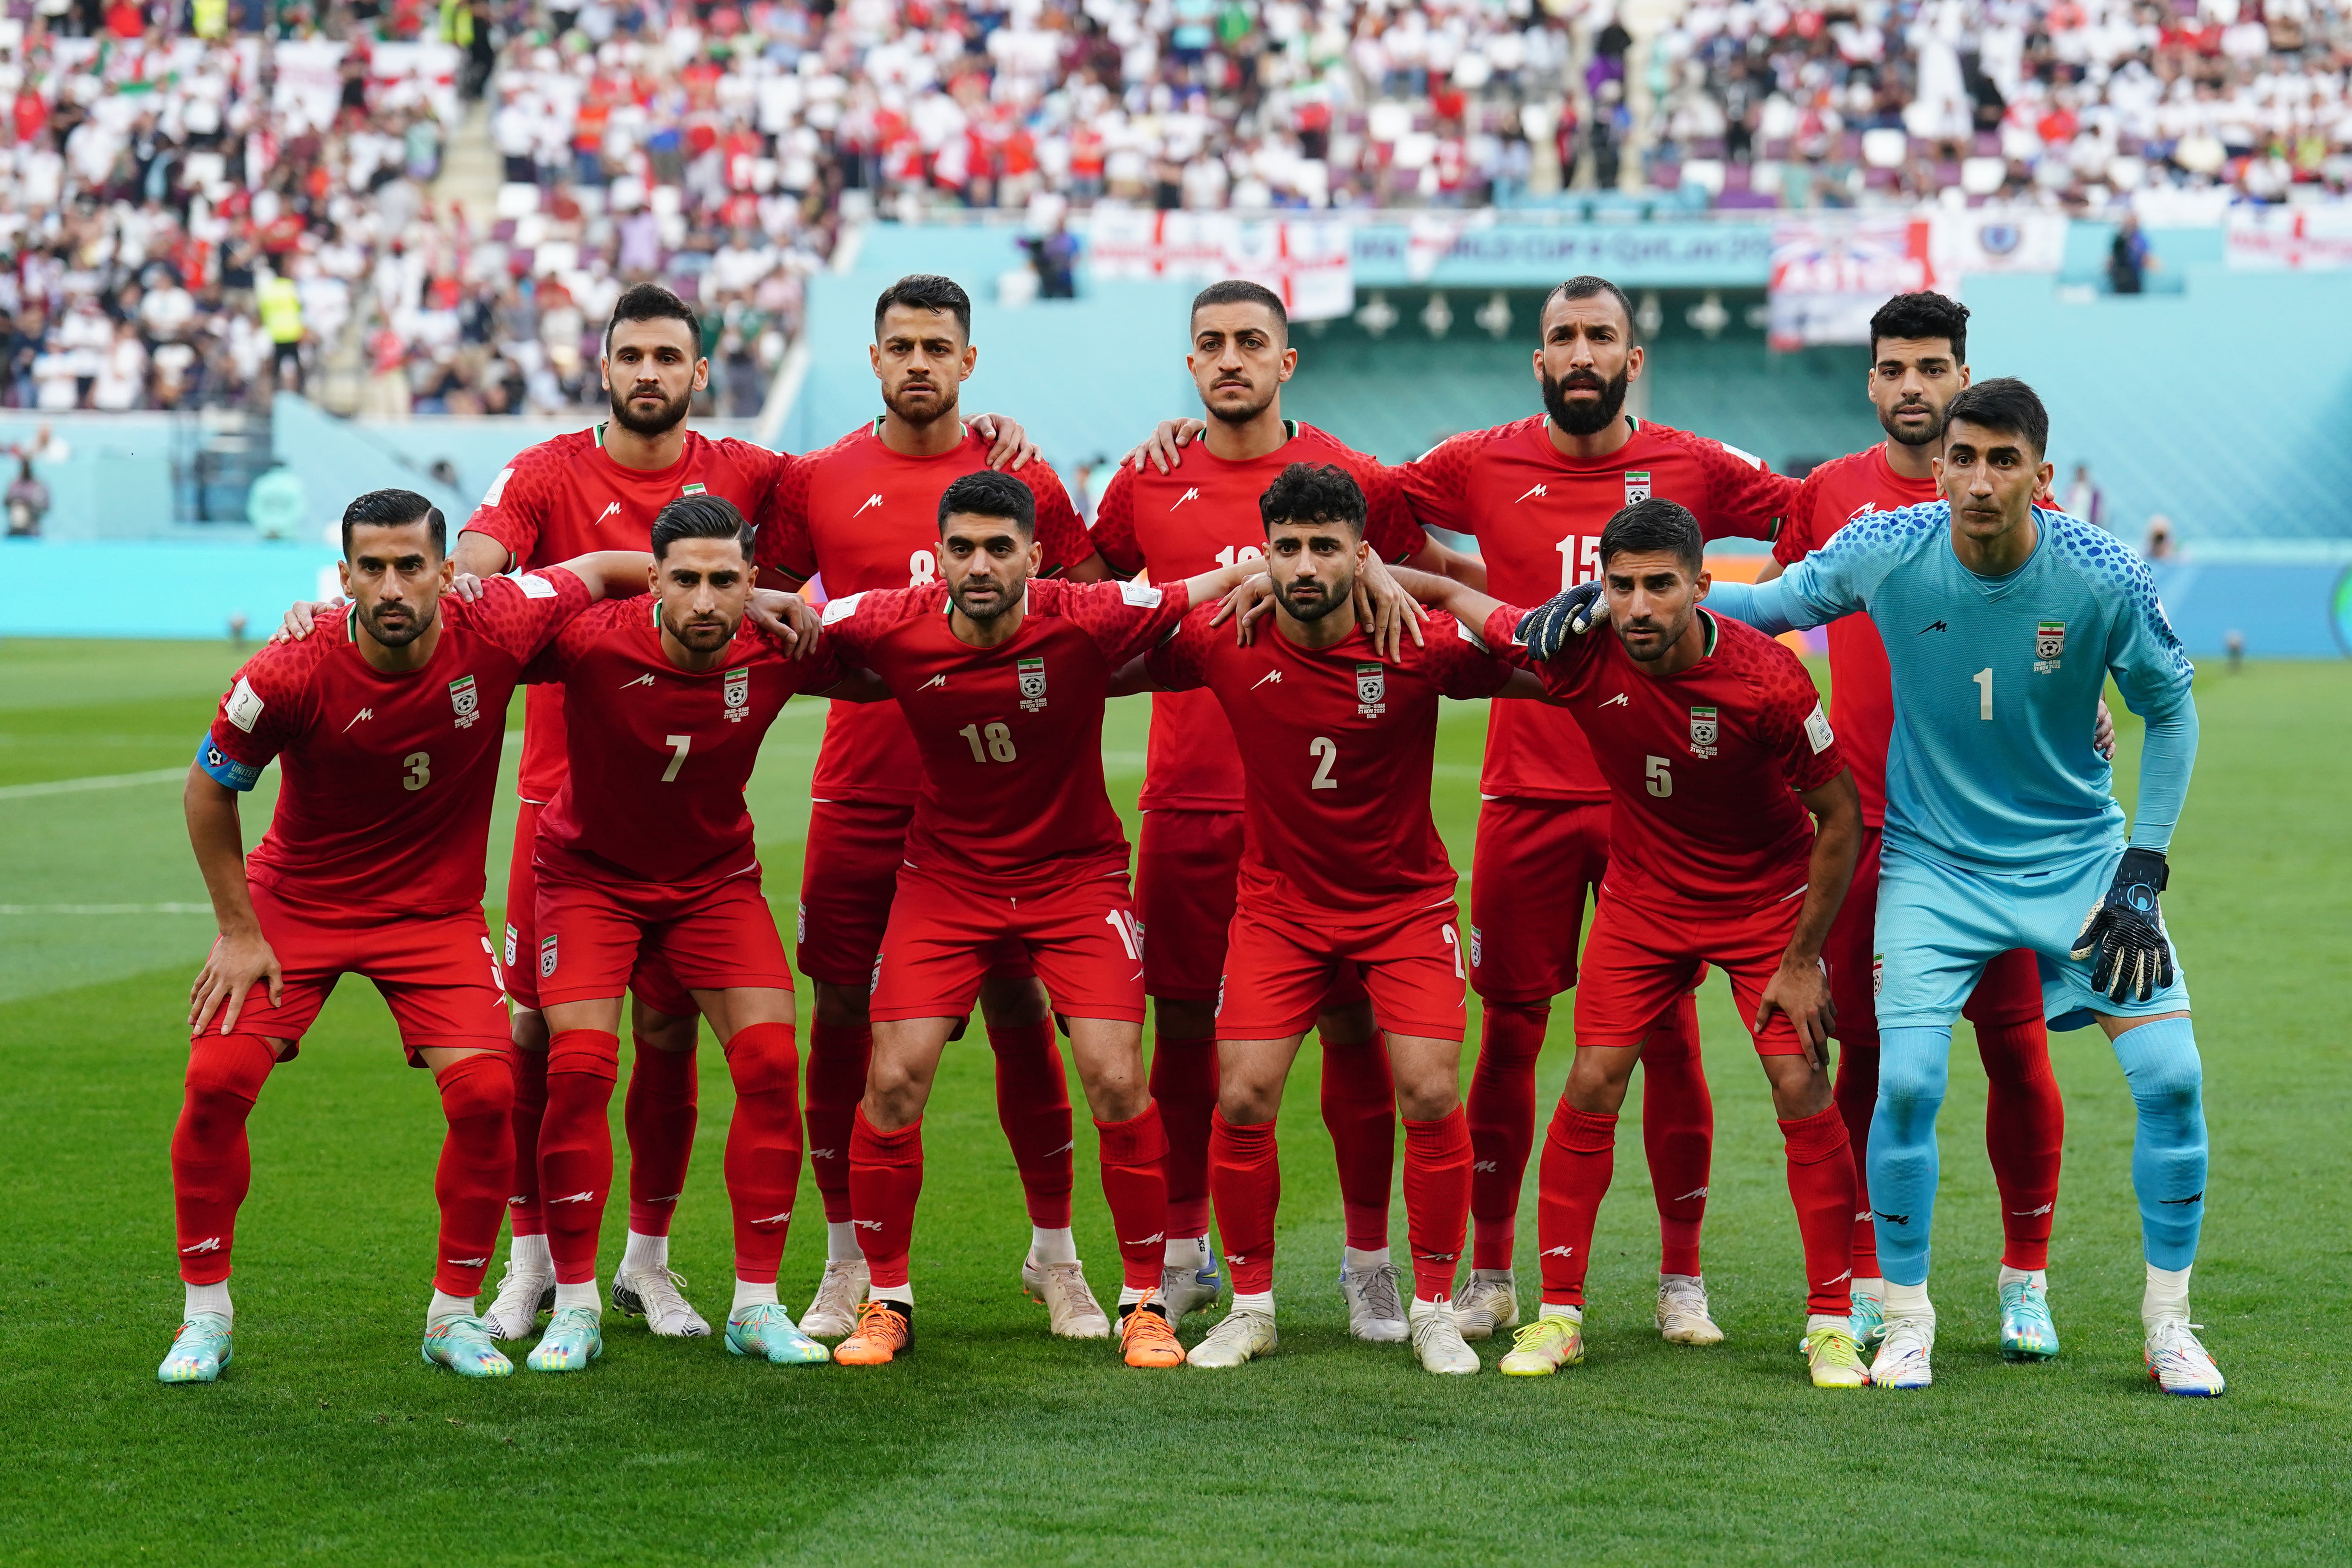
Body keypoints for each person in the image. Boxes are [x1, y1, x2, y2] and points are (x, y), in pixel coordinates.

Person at [276, 283, 1036, 1345]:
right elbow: (472, 569)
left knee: (673, 1034)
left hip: (688, 824)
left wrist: (989, 437)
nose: (647, 374)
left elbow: (886, 462)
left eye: (666, 358)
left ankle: (647, 1263)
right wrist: (340, 599)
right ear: (604, 366)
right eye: (629, 355)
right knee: (543, 1043)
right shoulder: (544, 471)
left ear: (696, 373)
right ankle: (534, 1266)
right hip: (564, 800)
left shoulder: (753, 474)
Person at [1682, 379, 2221, 1395]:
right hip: (1931, 868)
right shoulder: (1887, 546)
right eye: (1963, 458)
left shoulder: (2098, 572)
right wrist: (1656, 585)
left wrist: (2141, 867)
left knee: (2173, 1079)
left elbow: (2171, 711)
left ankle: (2168, 1326)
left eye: (2002, 461)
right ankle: (1907, 1318)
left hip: (2076, 864)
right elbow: (1765, 604)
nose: (1979, 480)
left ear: (2041, 477)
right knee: (1912, 1083)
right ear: (1940, 468)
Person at [161, 489, 648, 1384]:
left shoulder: (495, 620)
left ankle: (452, 1315)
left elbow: (594, 572)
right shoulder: (289, 668)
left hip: (430, 915)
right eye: (372, 569)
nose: (392, 586)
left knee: (487, 1094)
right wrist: (237, 930)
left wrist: (702, 588)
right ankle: (205, 1317)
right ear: (343, 576)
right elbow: (207, 787)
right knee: (215, 1082)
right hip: (297, 902)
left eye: (411, 567)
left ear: (447, 572)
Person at [1392, 275, 1799, 1342]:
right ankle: (1491, 1275)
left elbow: (1817, 518)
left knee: (1666, 1044)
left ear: (1633, 358)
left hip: (1655, 811)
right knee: (1512, 1037)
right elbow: (1365, 514)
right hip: (1523, 794)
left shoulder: (1692, 465)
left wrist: (1752, 623)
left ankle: (1679, 1283)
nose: (1580, 352)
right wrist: (1448, 572)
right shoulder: (1478, 460)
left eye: (1599, 336)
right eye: (1562, 337)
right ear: (1538, 361)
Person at [1408, 498, 1871, 1389]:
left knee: (1798, 1080)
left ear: (1703, 586)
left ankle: (1829, 1322)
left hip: (1761, 903)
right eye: (1619, 587)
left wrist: (1803, 957)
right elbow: (1470, 607)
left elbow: (1838, 817)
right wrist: (1379, 575)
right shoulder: (1579, 652)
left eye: (1660, 586)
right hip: (1644, 901)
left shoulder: (1769, 680)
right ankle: (1558, 1315)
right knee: (1591, 1078)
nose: (1638, 606)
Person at [1091, 278, 1478, 1339]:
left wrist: (1418, 587)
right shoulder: (1147, 476)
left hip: (1344, 818)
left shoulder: (1355, 479)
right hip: (1190, 797)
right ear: (1190, 362)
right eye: (1209, 343)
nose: (1229, 360)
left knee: (1359, 1031)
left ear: (1285, 361)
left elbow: (1415, 571)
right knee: (1183, 1031)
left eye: (1249, 342)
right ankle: (1182, 1255)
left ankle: (1366, 1262)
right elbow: (1089, 596)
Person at [811, 469, 1262, 1371]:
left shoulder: (1086, 614)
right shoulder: (889, 619)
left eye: (998, 548)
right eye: (962, 548)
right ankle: (885, 1299)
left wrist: (1251, 573)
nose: (979, 566)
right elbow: (783, 621)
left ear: (1034, 554)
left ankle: (1143, 1303)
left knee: (1113, 1077)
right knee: (892, 1078)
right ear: (937, 556)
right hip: (944, 880)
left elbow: (1184, 595)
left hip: (1072, 877)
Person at [752, 274, 1117, 1342]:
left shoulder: (1021, 476)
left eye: (936, 346)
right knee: (839, 1026)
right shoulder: (817, 481)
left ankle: (1055, 1256)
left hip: (1007, 812)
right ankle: (845, 1261)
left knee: (1022, 1022)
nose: (917, 362)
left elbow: (1091, 606)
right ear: (873, 359)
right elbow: (761, 608)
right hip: (863, 796)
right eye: (898, 345)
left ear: (969, 362)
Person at [1129, 463, 1533, 1375]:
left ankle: (1432, 1306)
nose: (1304, 565)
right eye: (1285, 549)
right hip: (1279, 907)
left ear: (1361, 554)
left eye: (1325, 547)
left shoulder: (1414, 641)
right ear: (1261, 554)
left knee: (1429, 1090)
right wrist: (1228, 583)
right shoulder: (1225, 637)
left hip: (1403, 904)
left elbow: (1527, 647)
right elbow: (1110, 636)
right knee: (1241, 1094)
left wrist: (1422, 583)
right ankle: (1252, 1305)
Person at [1756, 292, 2078, 1361]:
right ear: (1870, 382)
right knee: (1862, 1054)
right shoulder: (1828, 497)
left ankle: (2022, 1280)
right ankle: (1858, 1275)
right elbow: (1774, 620)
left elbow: (2072, 630)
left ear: (1960, 378)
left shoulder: (2011, 497)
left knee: (2015, 1052)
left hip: (1992, 830)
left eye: (1930, 368)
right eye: (1892, 369)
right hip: (1862, 826)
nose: (1911, 388)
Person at [515, 496, 864, 1374]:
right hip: (589, 879)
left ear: (754, 583)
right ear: (654, 582)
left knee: (772, 1064)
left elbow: (906, 636)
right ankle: (575, 1303)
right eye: (685, 581)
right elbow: (468, 628)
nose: (705, 601)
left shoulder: (779, 645)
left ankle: (754, 1304)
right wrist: (324, 617)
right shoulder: (589, 640)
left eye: (724, 581)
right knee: (582, 1068)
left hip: (713, 884)